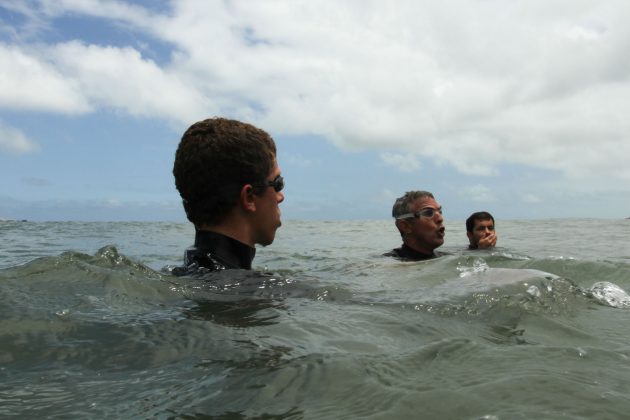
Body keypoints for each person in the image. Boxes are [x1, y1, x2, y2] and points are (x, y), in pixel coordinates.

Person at [172, 117, 284, 274]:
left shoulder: (178, 274)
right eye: (278, 183)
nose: (280, 197)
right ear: (249, 197)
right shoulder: (267, 293)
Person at [385, 190, 446, 260]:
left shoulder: (445, 257)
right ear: (405, 226)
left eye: (440, 212)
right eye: (428, 213)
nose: (440, 219)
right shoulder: (390, 263)